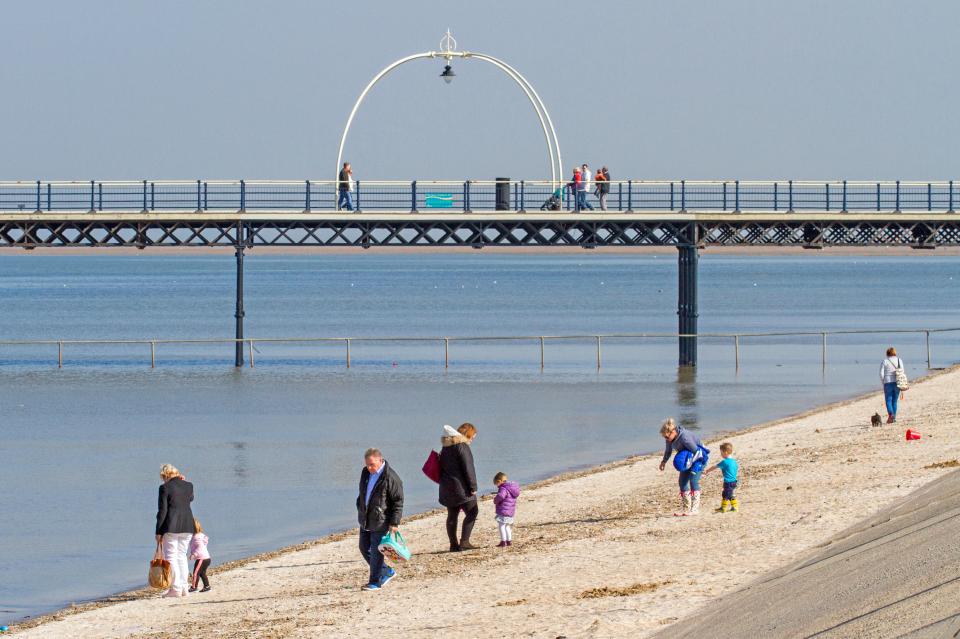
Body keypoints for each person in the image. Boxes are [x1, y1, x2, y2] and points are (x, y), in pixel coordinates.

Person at [355, 448, 404, 591]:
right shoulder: (365, 472)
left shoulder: (391, 477)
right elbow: (362, 493)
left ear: (380, 460)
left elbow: (398, 501)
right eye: (367, 464)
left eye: (372, 464)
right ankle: (387, 571)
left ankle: (375, 582)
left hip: (381, 520)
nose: (369, 468)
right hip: (365, 518)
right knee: (364, 548)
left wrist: (394, 522)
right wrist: (360, 506)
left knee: (377, 552)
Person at [155, 463, 196, 598]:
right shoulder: (189, 485)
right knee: (181, 556)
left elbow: (163, 511)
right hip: (188, 525)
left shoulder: (164, 488)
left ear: (165, 475)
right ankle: (184, 587)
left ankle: (176, 588)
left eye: (163, 477)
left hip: (171, 526)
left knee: (171, 557)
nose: (163, 480)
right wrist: (183, 482)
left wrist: (158, 531)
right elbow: (190, 499)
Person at [439, 423, 479, 551]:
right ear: (467, 434)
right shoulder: (462, 446)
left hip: (446, 487)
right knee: (473, 512)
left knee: (452, 515)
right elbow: (468, 468)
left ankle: (453, 544)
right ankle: (465, 541)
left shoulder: (445, 448)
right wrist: (473, 486)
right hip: (462, 488)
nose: (472, 439)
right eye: (473, 437)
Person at [658, 418, 705, 516]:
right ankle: (686, 509)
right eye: (664, 438)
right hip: (687, 458)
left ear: (673, 432)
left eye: (667, 437)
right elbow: (668, 451)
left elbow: (698, 452)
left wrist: (697, 468)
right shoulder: (670, 439)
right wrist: (664, 461)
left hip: (700, 457)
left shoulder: (684, 438)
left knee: (693, 480)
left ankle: (695, 509)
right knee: (682, 482)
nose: (666, 439)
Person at [705, 442, 739, 513]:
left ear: (726, 452)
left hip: (728, 482)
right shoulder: (734, 461)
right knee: (729, 494)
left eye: (721, 453)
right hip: (734, 481)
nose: (721, 454)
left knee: (726, 495)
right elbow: (735, 469)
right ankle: (733, 507)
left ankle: (724, 508)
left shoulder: (725, 462)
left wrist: (707, 471)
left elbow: (715, 467)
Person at [493, 472, 520, 548]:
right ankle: (509, 541)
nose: (497, 486)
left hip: (504, 510)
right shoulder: (511, 488)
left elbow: (501, 496)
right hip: (510, 510)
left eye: (496, 484)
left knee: (501, 525)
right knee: (508, 526)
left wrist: (495, 500)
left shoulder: (503, 488)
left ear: (499, 481)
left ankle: (503, 541)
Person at [879, 347, 906, 423]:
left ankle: (891, 415)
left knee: (888, 400)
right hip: (897, 382)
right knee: (894, 401)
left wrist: (883, 382)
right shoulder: (899, 360)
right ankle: (894, 418)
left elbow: (881, 373)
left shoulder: (885, 361)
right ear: (894, 353)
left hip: (888, 382)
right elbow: (902, 371)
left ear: (887, 353)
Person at [188, 518, 212, 592]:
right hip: (206, 558)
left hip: (202, 558)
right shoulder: (201, 535)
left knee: (195, 573)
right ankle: (207, 586)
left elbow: (200, 548)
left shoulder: (196, 537)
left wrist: (194, 555)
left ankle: (194, 587)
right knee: (202, 573)